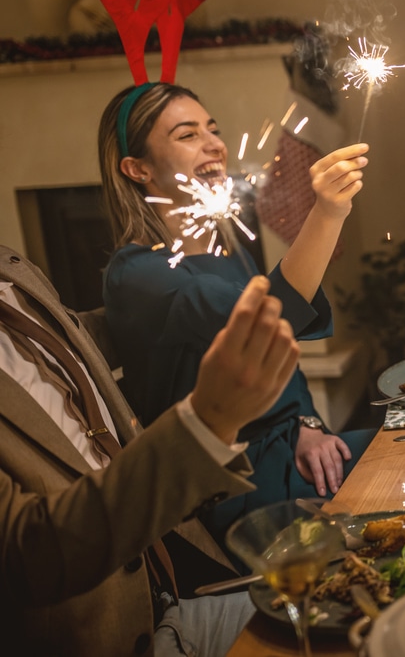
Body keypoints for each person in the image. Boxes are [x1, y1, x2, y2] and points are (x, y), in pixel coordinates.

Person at [97, 81, 375, 543]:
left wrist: (306, 423)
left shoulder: (225, 248)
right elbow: (270, 319)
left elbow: (282, 355)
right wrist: (327, 213)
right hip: (236, 487)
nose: (214, 145)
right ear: (137, 168)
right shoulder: (136, 274)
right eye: (187, 135)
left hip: (288, 451)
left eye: (213, 129)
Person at [2, 251, 302, 657]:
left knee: (347, 610)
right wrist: (205, 424)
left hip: (176, 597)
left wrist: (141, 306)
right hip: (102, 637)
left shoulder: (10, 266)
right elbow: (31, 553)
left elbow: (69, 338)